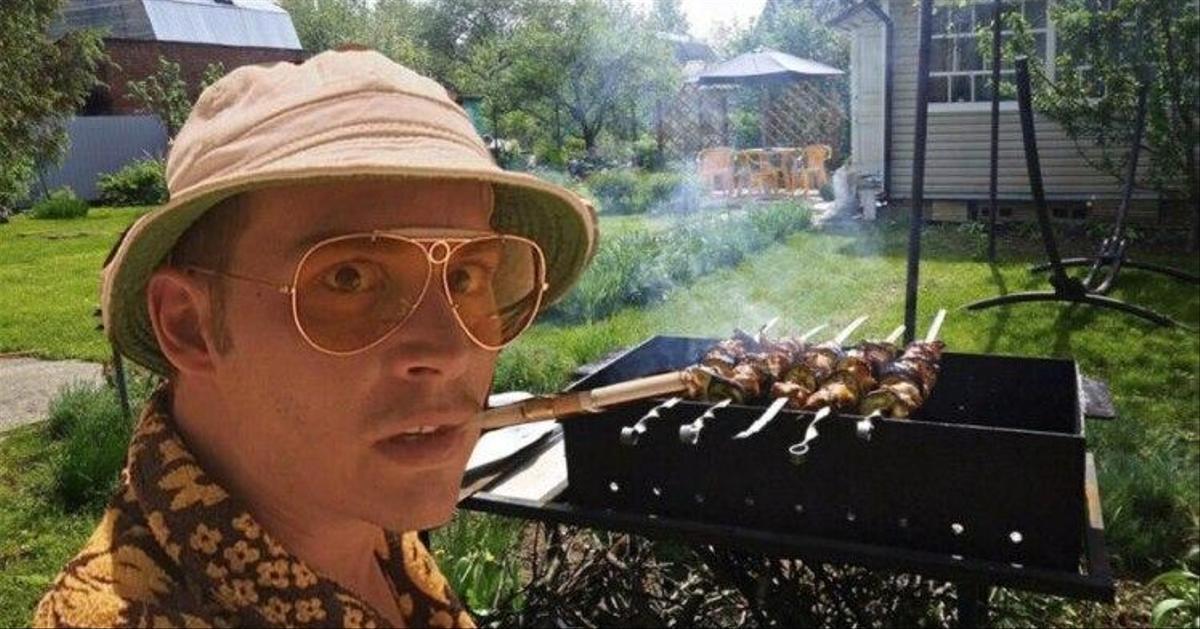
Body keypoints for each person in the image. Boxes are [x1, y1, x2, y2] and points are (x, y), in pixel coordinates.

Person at [33, 49, 596, 628]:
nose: (451, 354)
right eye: (349, 278)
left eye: (465, 277)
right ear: (188, 324)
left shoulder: (340, 507)